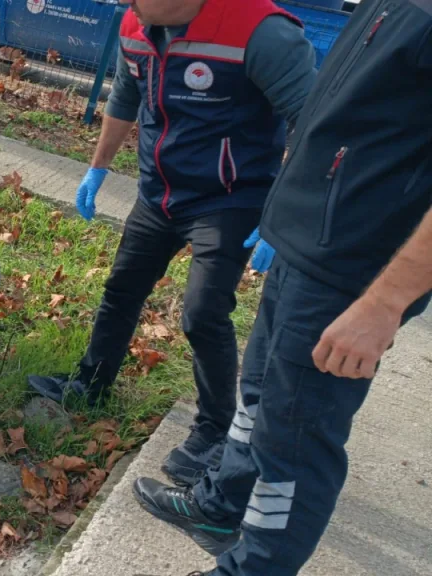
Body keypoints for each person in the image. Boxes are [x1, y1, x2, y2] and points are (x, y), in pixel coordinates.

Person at [130, 0, 432, 573]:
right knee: (258, 399)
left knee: (296, 443)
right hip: (302, 239)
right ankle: (220, 506)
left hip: (351, 272)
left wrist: (385, 303)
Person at [26, 0, 318, 487]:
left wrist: (281, 211)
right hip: (160, 193)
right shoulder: (135, 24)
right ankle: (90, 384)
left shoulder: (260, 31)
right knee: (121, 289)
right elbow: (124, 97)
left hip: (230, 199)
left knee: (203, 313)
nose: (128, 4)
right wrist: (97, 168)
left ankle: (215, 430)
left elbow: (313, 124)